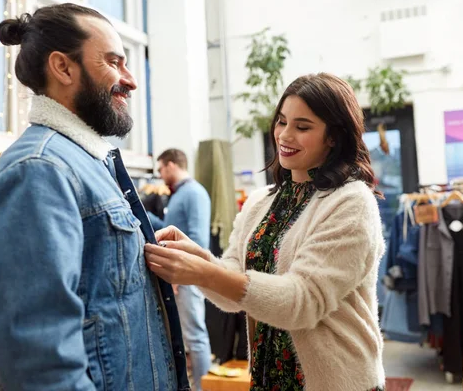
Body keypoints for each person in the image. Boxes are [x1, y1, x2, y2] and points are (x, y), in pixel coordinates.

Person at [0, 4, 188, 390]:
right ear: (64, 68)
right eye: (114, 63)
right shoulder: (38, 172)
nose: (131, 80)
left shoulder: (87, 163)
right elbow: (35, 363)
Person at [144, 73, 387, 391]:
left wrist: (202, 272)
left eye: (302, 127)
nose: (285, 136)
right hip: (268, 378)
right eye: (281, 122)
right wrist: (196, 257)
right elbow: (235, 289)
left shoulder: (352, 202)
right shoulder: (262, 201)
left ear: (333, 137)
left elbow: (301, 301)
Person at [148, 149, 212, 391]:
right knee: (189, 336)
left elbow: (197, 239)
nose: (161, 175)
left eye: (162, 169)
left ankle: (204, 386)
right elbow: (169, 229)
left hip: (188, 276)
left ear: (172, 165)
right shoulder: (180, 195)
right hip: (181, 275)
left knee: (195, 336)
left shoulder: (194, 193)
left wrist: (181, 275)